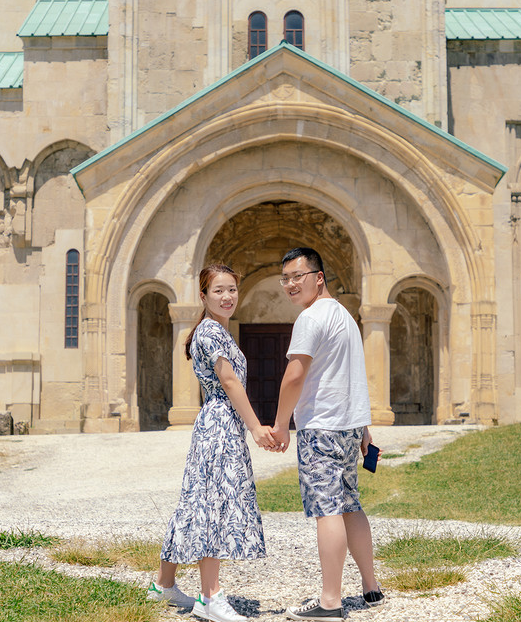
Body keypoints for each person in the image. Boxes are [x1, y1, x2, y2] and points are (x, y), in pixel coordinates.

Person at [148, 263, 278, 622]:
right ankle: (210, 597)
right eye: (218, 290)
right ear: (203, 296)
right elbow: (229, 381)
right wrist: (255, 427)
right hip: (221, 422)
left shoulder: (212, 331)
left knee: (196, 500)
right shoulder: (211, 332)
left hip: (216, 422)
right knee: (214, 504)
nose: (227, 296)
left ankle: (164, 584)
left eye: (232, 290)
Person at [270, 247, 385, 621]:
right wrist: (363, 427)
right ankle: (371, 588)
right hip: (349, 427)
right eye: (284, 278)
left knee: (328, 510)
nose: (290, 284)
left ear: (318, 277)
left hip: (321, 427)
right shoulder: (345, 317)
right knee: (350, 503)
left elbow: (295, 375)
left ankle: (331, 602)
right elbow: (351, 375)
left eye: (297, 276)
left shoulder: (311, 317)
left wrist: (280, 423)